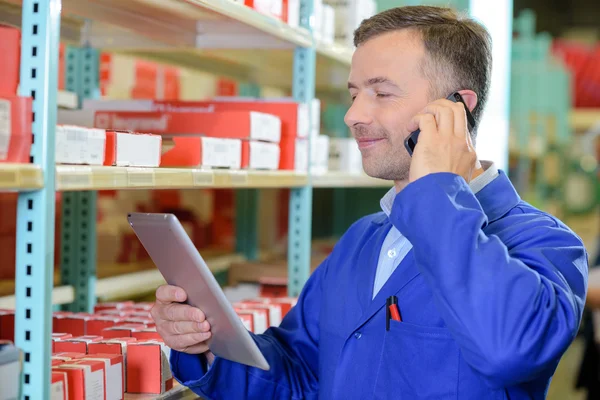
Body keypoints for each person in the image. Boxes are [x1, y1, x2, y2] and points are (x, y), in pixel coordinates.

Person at [151, 6, 589, 399]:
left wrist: (437, 185)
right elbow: (302, 376)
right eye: (355, 92)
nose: (354, 115)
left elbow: (508, 349)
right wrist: (207, 347)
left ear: (456, 108)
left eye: (382, 93)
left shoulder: (543, 244)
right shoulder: (363, 238)